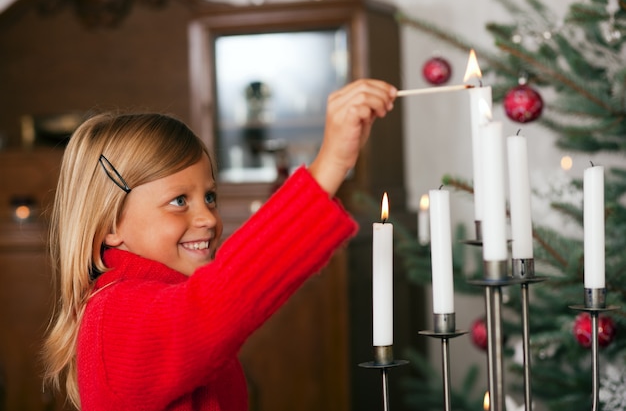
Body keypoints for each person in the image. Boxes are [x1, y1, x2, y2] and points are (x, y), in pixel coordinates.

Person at [42, 79, 397, 411]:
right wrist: (330, 164)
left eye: (209, 196)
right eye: (179, 200)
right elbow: (215, 301)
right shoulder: (116, 312)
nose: (208, 219)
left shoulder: (153, 295)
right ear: (109, 224)